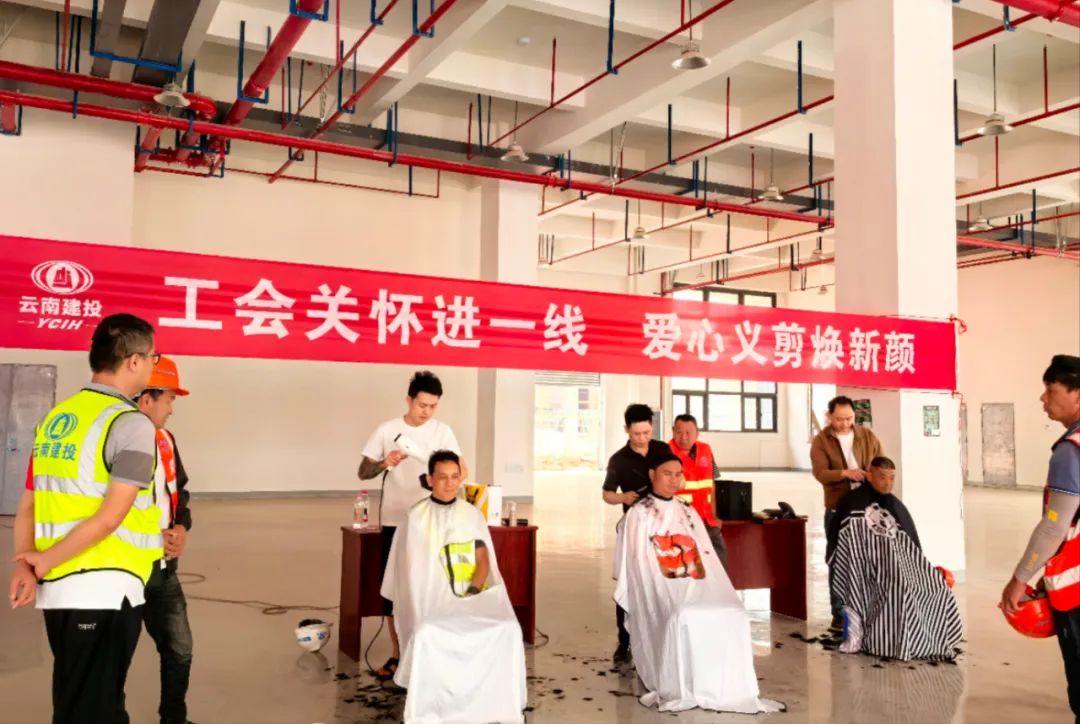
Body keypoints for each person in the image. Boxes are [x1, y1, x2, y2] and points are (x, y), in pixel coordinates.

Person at [7, 314, 164, 724]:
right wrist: (43, 560)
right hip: (104, 586)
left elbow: (29, 504)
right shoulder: (130, 424)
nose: (153, 365)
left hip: (59, 589)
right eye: (153, 356)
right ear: (133, 360)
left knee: (76, 698)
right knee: (95, 709)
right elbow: (111, 518)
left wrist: (28, 562)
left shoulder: (55, 420)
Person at [613, 448, 780, 714]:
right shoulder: (639, 514)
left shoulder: (688, 511)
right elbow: (639, 565)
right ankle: (680, 683)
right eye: (667, 474)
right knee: (682, 613)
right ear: (652, 474)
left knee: (734, 611)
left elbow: (707, 558)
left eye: (678, 475)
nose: (674, 480)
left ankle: (727, 685)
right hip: (663, 584)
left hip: (694, 578)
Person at [381, 450, 526, 724]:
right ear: (429, 479)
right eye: (443, 477)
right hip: (430, 602)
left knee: (507, 628)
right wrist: (434, 603)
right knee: (429, 631)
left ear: (461, 478)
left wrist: (470, 595)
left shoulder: (471, 515)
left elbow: (483, 561)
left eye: (455, 477)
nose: (449, 483)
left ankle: (493, 701)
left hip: (470, 596)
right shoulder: (415, 517)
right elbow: (412, 576)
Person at [358, 371, 466, 681]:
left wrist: (440, 478)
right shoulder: (387, 430)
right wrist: (385, 462)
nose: (427, 412)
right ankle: (398, 654)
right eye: (422, 405)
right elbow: (363, 471)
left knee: (436, 585)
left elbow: (461, 470)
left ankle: (436, 650)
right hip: (396, 518)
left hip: (434, 520)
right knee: (395, 589)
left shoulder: (443, 432)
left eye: (433, 406)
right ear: (409, 400)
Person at [1000, 354, 1080, 719]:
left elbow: (1053, 527)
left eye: (1050, 390)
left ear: (1076, 395)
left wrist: (1019, 579)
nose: (1043, 398)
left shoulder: (1071, 451)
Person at [826, 457, 963, 661]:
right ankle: (888, 641)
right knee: (898, 587)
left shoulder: (896, 506)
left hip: (898, 565)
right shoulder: (853, 502)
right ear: (869, 475)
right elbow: (847, 546)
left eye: (892, 478)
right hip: (865, 569)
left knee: (937, 586)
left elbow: (912, 547)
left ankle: (924, 639)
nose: (887, 483)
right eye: (882, 477)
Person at [135, 356, 195, 724]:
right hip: (125, 568)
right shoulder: (117, 440)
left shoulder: (165, 440)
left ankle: (173, 718)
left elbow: (179, 493)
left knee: (180, 649)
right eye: (169, 399)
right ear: (147, 399)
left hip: (163, 567)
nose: (171, 409)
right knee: (114, 657)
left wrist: (181, 528)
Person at [602, 403, 670, 664]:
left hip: (663, 525)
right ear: (626, 430)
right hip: (634, 528)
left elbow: (679, 478)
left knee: (664, 579)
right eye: (636, 434)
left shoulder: (662, 450)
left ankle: (661, 635)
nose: (642, 438)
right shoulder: (618, 460)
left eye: (646, 433)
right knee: (629, 581)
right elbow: (607, 494)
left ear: (652, 427)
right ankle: (624, 642)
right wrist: (623, 497)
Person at [810, 394, 883, 632]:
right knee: (838, 560)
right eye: (839, 419)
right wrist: (845, 473)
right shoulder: (821, 441)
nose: (844, 423)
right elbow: (820, 473)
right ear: (829, 416)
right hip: (838, 508)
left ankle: (868, 610)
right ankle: (839, 614)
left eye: (849, 418)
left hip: (866, 507)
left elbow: (881, 463)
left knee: (868, 559)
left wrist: (875, 476)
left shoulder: (866, 436)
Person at [668, 413, 727, 567]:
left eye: (688, 432)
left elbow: (711, 483)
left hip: (708, 520)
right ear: (673, 431)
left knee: (718, 563)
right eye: (679, 432)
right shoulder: (665, 453)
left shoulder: (706, 449)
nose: (683, 437)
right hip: (681, 522)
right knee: (689, 567)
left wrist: (714, 515)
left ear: (697, 433)